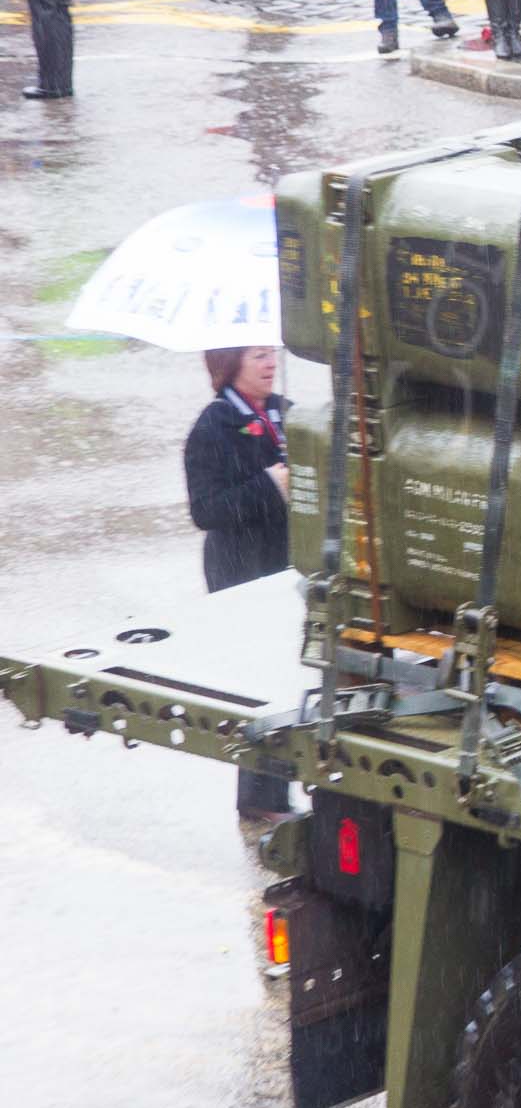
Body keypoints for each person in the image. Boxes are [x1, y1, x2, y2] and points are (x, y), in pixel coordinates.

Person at [183, 345, 295, 818]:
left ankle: (282, 789)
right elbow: (205, 511)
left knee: (292, 678)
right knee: (262, 683)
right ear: (230, 366)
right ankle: (258, 800)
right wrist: (270, 485)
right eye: (258, 356)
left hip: (287, 563)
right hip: (241, 571)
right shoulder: (212, 428)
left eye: (272, 354)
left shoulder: (284, 414)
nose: (270, 364)